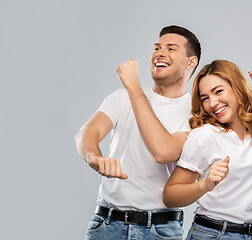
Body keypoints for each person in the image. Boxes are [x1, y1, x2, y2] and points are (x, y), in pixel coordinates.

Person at [75, 25, 201, 240]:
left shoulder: (197, 113)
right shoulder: (121, 97)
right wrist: (93, 157)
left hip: (160, 230)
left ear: (190, 62)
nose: (160, 53)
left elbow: (164, 153)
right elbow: (87, 133)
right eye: (157, 47)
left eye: (171, 49)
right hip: (106, 224)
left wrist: (133, 85)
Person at [162, 60, 252, 240]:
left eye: (218, 92)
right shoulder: (205, 135)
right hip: (213, 234)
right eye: (205, 98)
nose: (213, 103)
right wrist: (205, 185)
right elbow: (170, 196)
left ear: (237, 89)